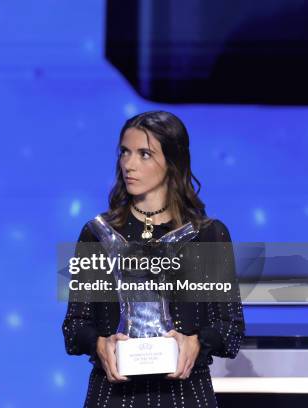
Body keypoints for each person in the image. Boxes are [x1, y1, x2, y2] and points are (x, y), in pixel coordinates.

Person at [62, 111, 245, 407]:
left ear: (173, 163)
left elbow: (231, 328)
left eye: (144, 154)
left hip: (186, 396)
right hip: (114, 397)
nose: (129, 164)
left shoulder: (208, 235)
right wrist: (100, 344)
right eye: (125, 152)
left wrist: (196, 342)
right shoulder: (97, 233)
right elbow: (74, 327)